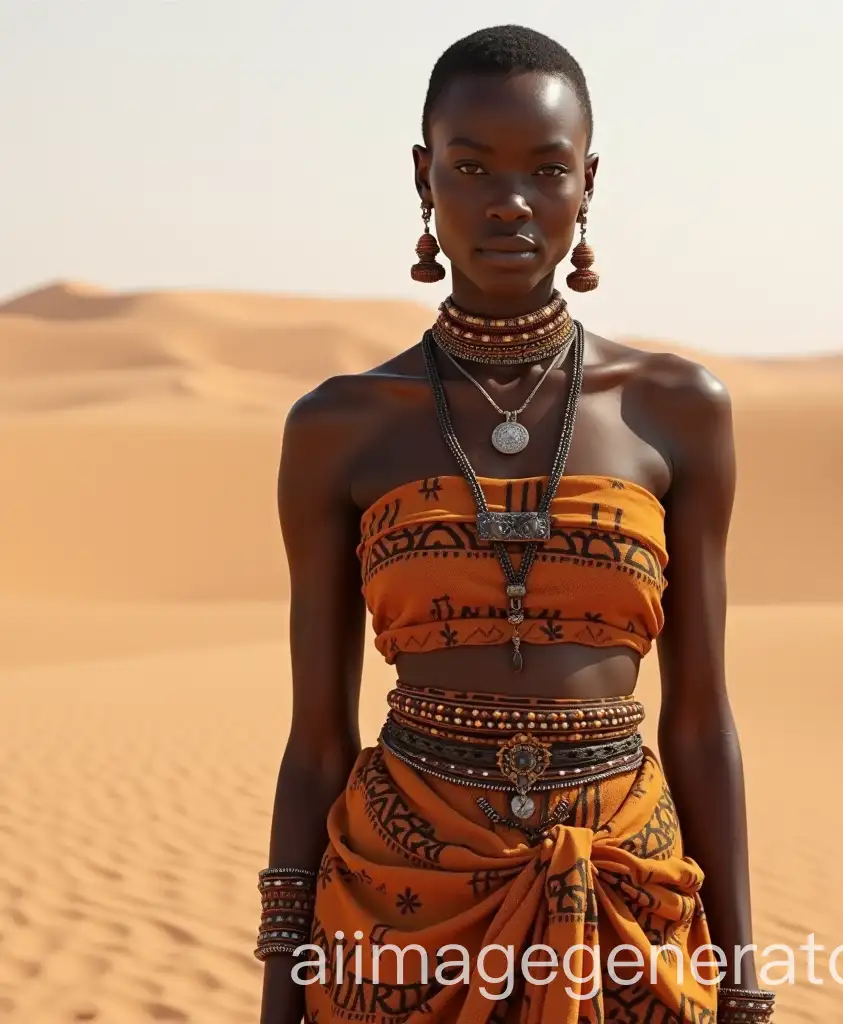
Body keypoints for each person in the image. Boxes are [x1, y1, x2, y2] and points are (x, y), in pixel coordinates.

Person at [256, 24, 773, 1024]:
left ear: (588, 182)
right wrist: (281, 989)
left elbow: (702, 716)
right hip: (399, 910)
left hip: (625, 900)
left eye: (546, 170)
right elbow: (317, 738)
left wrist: (741, 980)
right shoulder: (337, 426)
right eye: (470, 166)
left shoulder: (678, 407)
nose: (511, 202)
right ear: (423, 177)